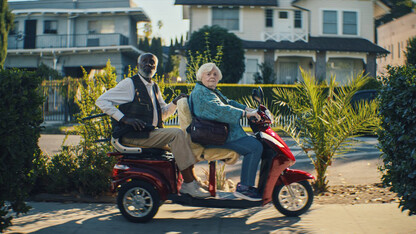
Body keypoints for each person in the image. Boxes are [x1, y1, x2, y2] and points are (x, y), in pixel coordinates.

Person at [96, 53, 209, 198]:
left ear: (155, 67)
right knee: (176, 135)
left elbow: (161, 115)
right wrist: (124, 119)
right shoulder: (129, 84)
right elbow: (101, 101)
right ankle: (188, 184)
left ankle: (193, 181)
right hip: (132, 135)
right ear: (138, 65)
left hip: (148, 133)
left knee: (186, 138)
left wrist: (174, 103)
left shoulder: (154, 86)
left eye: (152, 63)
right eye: (144, 62)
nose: (148, 65)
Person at [189, 62, 264, 201]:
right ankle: (245, 188)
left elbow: (228, 103)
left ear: (218, 78)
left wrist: (248, 109)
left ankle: (248, 186)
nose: (212, 77)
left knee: (257, 142)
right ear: (201, 76)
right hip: (214, 137)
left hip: (221, 134)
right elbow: (219, 110)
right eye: (208, 74)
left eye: (215, 74)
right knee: (255, 147)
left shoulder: (210, 91)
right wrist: (245, 114)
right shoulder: (201, 93)